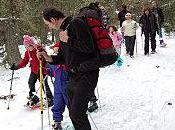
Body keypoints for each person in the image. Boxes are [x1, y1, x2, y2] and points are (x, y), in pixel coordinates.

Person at [40, 7, 100, 130]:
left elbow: (89, 47)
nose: (49, 27)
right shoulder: (64, 30)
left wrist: (68, 39)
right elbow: (63, 57)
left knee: (77, 114)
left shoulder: (76, 23)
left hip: (87, 74)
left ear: (53, 19)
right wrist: (48, 57)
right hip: (73, 76)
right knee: (73, 112)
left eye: (48, 24)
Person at [10, 35, 53, 107]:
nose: (27, 47)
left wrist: (42, 53)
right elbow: (25, 61)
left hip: (42, 70)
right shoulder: (28, 52)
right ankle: (33, 98)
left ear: (32, 44)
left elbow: (46, 58)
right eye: (26, 46)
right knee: (30, 83)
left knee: (44, 85)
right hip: (34, 71)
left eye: (28, 46)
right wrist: (17, 67)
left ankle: (50, 98)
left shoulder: (39, 49)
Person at [47, 42, 69, 130]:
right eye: (55, 51)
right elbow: (50, 72)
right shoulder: (53, 62)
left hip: (68, 86)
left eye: (57, 51)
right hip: (57, 88)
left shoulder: (67, 60)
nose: (56, 53)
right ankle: (57, 122)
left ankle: (77, 120)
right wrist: (44, 70)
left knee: (72, 104)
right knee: (57, 104)